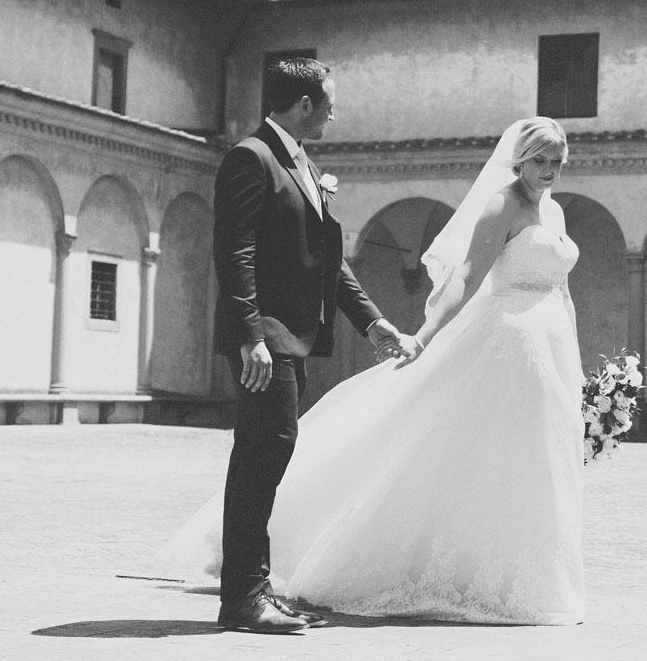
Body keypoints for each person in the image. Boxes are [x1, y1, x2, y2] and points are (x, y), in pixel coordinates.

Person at [156, 116, 585, 626]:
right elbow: (466, 277)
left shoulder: (553, 210)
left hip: (551, 349)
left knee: (538, 457)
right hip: (508, 345)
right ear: (520, 159)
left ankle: (536, 578)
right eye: (541, 160)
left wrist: (576, 359)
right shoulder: (503, 204)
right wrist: (424, 336)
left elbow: (562, 289)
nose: (549, 170)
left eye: (557, 162)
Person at [208, 57, 413, 633]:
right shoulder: (252, 158)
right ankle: (245, 597)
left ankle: (249, 592)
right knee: (263, 455)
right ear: (304, 105)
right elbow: (236, 252)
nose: (333, 111)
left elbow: (327, 263)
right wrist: (249, 336)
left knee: (263, 456)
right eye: (329, 101)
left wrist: (372, 322)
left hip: (288, 341)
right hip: (265, 341)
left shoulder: (300, 162)